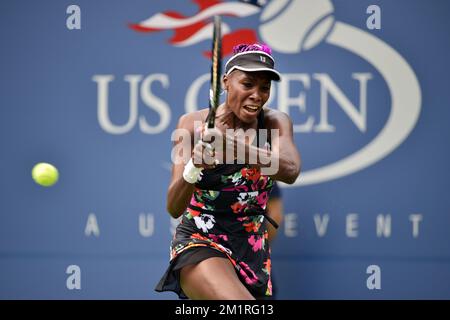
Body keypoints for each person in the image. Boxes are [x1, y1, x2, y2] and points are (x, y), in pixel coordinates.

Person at [155, 43, 301, 300]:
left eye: (264, 87)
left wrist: (233, 147)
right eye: (248, 84)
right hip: (200, 243)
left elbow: (289, 170)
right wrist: (194, 167)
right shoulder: (190, 125)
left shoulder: (275, 123)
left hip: (252, 254)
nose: (257, 94)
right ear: (226, 82)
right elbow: (174, 207)